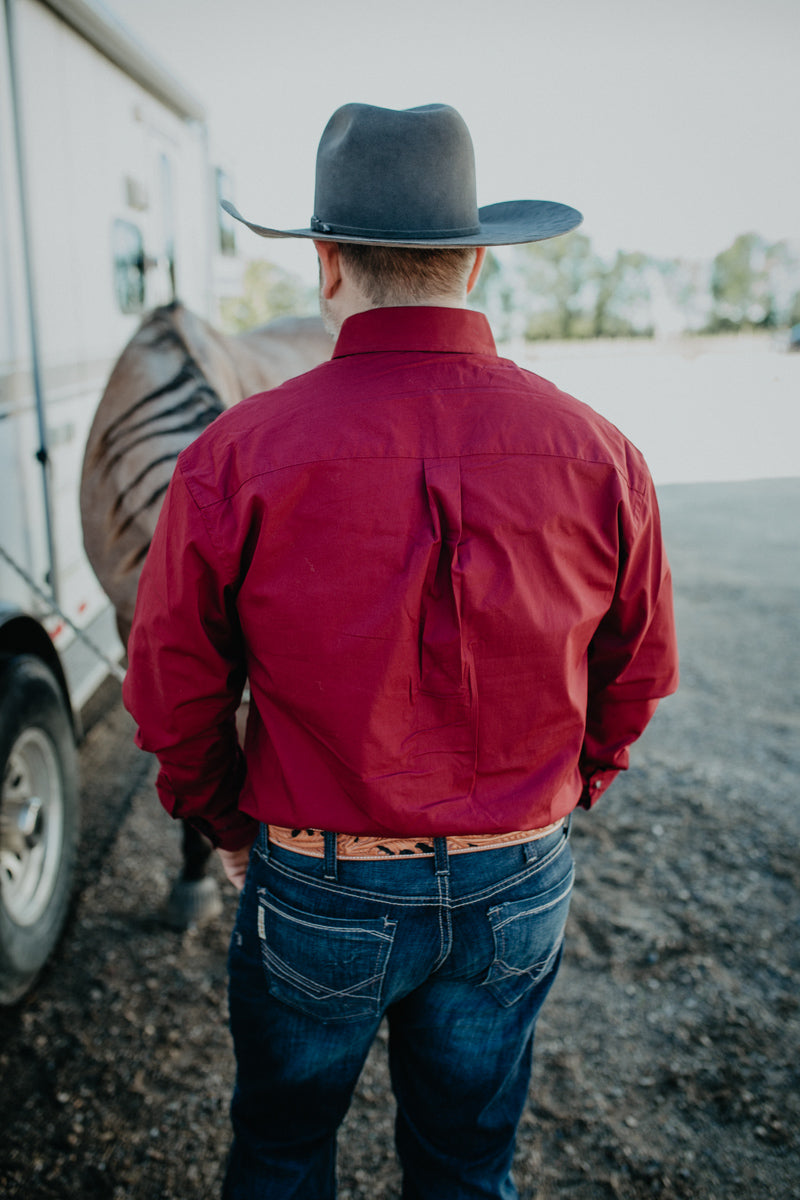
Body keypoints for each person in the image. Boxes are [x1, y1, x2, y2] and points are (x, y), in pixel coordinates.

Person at [123, 102, 679, 1199]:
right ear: (475, 262)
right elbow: (640, 666)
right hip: (518, 870)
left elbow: (173, 689)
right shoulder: (599, 452)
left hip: (317, 878)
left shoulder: (234, 456)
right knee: (467, 1167)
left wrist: (229, 822)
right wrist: (569, 791)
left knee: (281, 1156)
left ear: (326, 265)